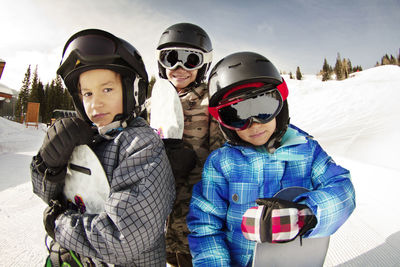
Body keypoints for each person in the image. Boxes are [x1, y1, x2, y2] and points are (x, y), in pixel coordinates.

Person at [187, 51, 356, 266]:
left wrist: (305, 215)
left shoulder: (306, 151)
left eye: (263, 108)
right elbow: (205, 226)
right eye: (237, 115)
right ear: (224, 123)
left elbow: (343, 190)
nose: (254, 123)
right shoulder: (222, 164)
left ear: (281, 105)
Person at [30, 29, 175, 266]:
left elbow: (123, 237)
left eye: (107, 89)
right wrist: (49, 165)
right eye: (87, 93)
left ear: (133, 91)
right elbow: (48, 195)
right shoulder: (85, 137)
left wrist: (60, 225)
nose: (95, 103)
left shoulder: (141, 145)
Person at [153, 22, 224, 267]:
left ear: (203, 64)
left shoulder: (210, 102)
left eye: (190, 60)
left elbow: (222, 159)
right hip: (157, 224)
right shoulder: (152, 104)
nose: (179, 68)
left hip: (194, 223)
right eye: (171, 58)